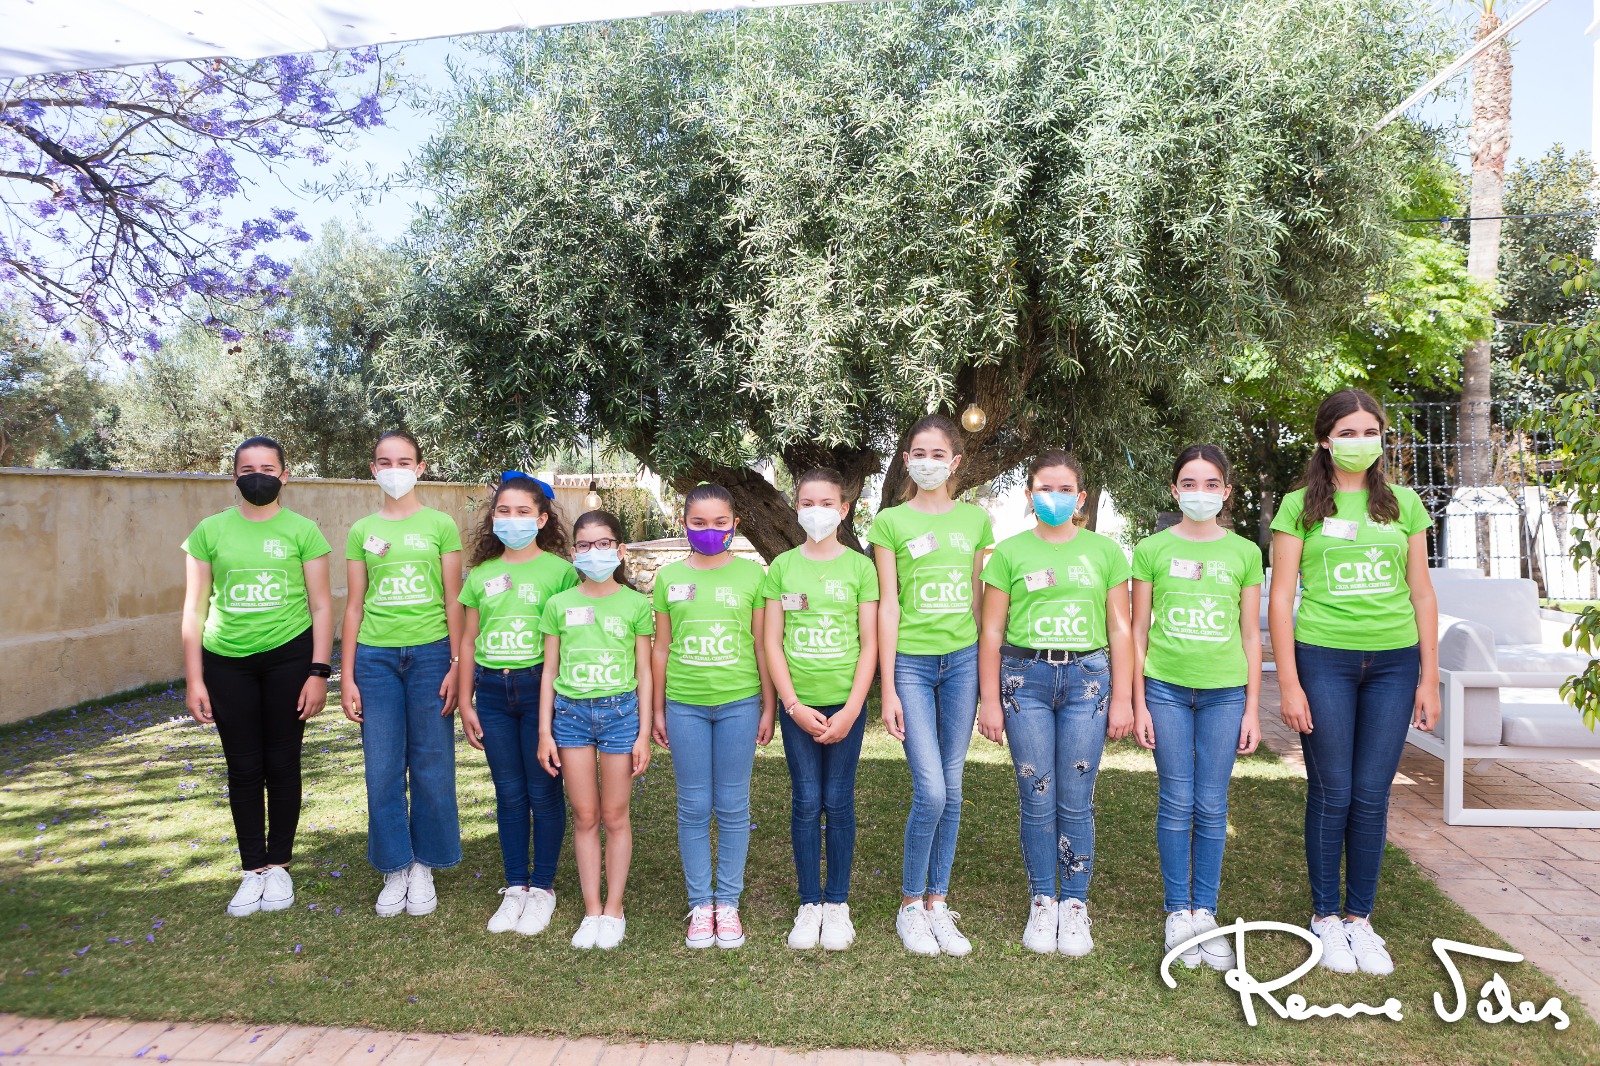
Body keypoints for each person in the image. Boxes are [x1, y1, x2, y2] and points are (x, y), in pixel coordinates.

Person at [1269, 388, 1440, 976]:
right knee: (1333, 791)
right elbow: (1281, 598)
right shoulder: (1299, 506)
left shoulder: (1404, 505)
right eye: (1347, 432)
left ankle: (1359, 919)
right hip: (1324, 660)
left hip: (1395, 664)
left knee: (1372, 793)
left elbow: (1422, 593)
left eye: (1371, 431)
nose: (1360, 442)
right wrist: (1289, 683)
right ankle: (1325, 917)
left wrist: (1429, 679)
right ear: (1325, 440)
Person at [977, 449, 1133, 957]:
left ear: (1081, 497)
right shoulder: (1009, 554)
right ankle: (1044, 900)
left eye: (1066, 489)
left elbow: (1120, 629)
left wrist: (1124, 698)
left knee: (1076, 799)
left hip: (1088, 680)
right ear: (1029, 495)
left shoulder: (1105, 552)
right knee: (1036, 795)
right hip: (1025, 682)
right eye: (1045, 488)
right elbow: (991, 631)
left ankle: (1075, 904)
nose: (1055, 496)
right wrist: (989, 700)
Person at [181, 436, 334, 917]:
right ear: (234, 476)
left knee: (283, 763)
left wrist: (319, 672)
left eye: (267, 468)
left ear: (285, 475)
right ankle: (253, 870)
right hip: (226, 662)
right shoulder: (208, 531)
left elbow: (322, 606)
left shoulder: (303, 531)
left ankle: (280, 865)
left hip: (290, 659)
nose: (257, 477)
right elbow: (193, 609)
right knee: (244, 767)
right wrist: (195, 679)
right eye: (247, 469)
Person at [1131, 444, 1263, 971]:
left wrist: (1252, 708)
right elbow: (1138, 630)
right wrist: (1138, 701)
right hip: (1164, 689)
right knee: (1176, 800)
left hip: (1225, 693)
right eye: (1189, 483)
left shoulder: (1245, 553)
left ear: (1226, 492)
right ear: (1174, 490)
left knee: (1211, 804)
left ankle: (1204, 912)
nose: (1200, 493)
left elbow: (1250, 636)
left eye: (1211, 485)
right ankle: (1176, 912)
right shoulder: (1151, 549)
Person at [867, 414, 993, 957]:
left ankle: (937, 902)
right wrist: (889, 688)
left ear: (955, 462)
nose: (927, 462)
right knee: (932, 790)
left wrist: (986, 681)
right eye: (918, 453)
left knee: (954, 787)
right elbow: (888, 606)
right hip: (912, 667)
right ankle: (909, 904)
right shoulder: (890, 523)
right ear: (905, 460)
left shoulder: (976, 521)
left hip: (962, 663)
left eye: (938, 454)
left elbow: (980, 604)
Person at [341, 430, 465, 918]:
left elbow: (453, 601)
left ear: (420, 467)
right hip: (375, 660)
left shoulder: (440, 525)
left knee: (433, 763)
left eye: (404, 461)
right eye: (385, 462)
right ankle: (395, 865)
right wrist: (346, 675)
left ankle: (425, 864)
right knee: (382, 766)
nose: (395, 470)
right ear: (373, 469)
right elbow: (354, 605)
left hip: (432, 655)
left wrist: (456, 664)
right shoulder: (361, 531)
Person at [650, 484, 774, 950]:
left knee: (733, 804)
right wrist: (658, 707)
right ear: (683, 524)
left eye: (720, 522)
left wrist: (768, 705)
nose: (709, 530)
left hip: (739, 703)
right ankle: (702, 904)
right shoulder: (668, 578)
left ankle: (729, 903)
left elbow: (762, 646)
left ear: (734, 525)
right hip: (684, 705)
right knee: (694, 805)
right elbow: (661, 648)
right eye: (698, 523)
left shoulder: (753, 576)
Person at [762, 468, 880, 952]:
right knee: (807, 800)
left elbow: (870, 643)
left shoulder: (861, 568)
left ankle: (837, 903)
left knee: (839, 798)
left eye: (827, 503)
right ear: (796, 508)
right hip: (799, 707)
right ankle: (810, 902)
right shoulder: (782, 567)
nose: (817, 511)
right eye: (807, 503)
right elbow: (771, 642)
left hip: (845, 705)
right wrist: (791, 705)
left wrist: (853, 709)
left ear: (844, 509)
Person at [458, 473, 578, 937]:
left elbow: (568, 638)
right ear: (493, 518)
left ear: (542, 519)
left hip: (539, 690)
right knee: (508, 793)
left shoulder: (560, 572)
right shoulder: (481, 574)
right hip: (491, 693)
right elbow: (468, 640)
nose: (512, 519)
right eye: (503, 511)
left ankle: (542, 887)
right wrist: (466, 700)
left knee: (543, 791)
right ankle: (515, 887)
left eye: (523, 512)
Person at [537, 510, 654, 951]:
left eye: (603, 544)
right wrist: (545, 732)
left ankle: (614, 908)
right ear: (573, 552)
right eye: (584, 545)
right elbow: (549, 671)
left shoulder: (635, 604)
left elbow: (645, 672)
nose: (594, 552)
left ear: (619, 550)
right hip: (570, 718)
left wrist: (643, 733)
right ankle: (592, 910)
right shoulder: (558, 605)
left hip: (621, 715)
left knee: (615, 816)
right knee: (585, 816)